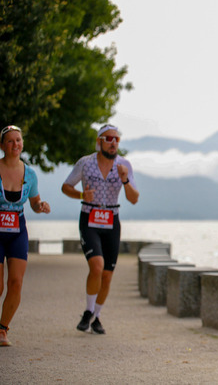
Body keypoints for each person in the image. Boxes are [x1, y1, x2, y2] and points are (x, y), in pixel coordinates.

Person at [61, 124, 139, 335]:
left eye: (116, 139)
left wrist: (125, 180)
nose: (113, 143)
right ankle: (88, 311)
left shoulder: (124, 165)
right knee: (97, 266)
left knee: (107, 275)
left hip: (112, 220)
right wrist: (81, 195)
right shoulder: (85, 163)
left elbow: (134, 198)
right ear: (99, 142)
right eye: (108, 139)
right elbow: (66, 186)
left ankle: (96, 316)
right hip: (90, 218)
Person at [0, 125, 51, 346]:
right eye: (10, 141)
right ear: (2, 145)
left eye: (18, 140)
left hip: (17, 231)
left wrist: (41, 206)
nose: (15, 144)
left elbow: (34, 203)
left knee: (16, 283)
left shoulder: (30, 174)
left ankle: (2, 329)